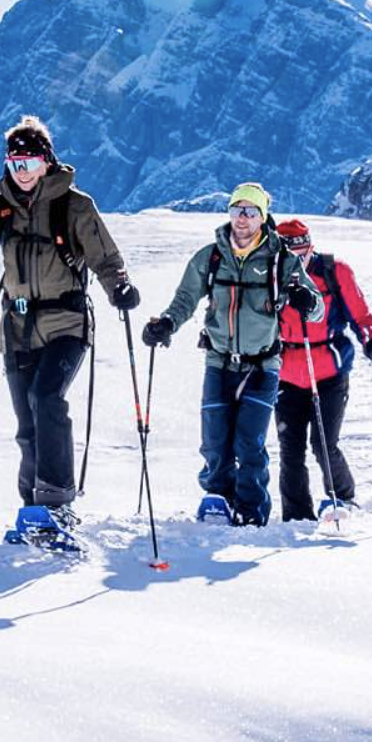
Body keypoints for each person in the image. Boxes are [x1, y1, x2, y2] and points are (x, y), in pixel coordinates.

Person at [0, 115, 138, 520]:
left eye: (29, 162)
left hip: (66, 324)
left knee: (47, 400)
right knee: (26, 423)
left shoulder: (75, 206)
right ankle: (32, 508)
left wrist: (120, 287)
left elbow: (106, 259)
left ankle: (57, 504)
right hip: (18, 328)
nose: (21, 171)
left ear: (46, 162)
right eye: (14, 163)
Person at [141, 182, 322, 526]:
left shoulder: (281, 259)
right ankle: (218, 501)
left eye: (250, 211)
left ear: (262, 217)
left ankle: (253, 511)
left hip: (262, 365)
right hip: (218, 361)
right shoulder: (210, 256)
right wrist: (166, 324)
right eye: (236, 210)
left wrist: (306, 299)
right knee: (214, 442)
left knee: (249, 443)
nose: (242, 218)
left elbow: (316, 309)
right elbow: (185, 299)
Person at [272, 217, 372, 520]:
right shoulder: (268, 277)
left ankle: (342, 498)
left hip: (329, 369)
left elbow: (359, 315)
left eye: (300, 246)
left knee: (324, 442)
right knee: (290, 447)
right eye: (288, 249)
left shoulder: (334, 271)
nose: (296, 255)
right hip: (285, 373)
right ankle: (297, 515)